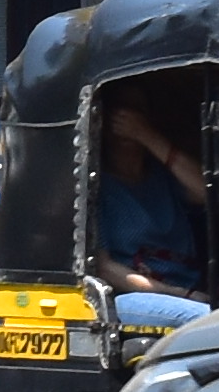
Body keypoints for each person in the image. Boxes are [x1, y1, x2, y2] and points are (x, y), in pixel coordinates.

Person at [86, 94, 208, 311]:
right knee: (204, 319)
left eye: (136, 110)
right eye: (119, 110)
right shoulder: (97, 186)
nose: (126, 117)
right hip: (132, 295)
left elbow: (206, 192)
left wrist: (146, 135)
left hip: (190, 287)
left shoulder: (163, 176)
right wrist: (179, 294)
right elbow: (104, 267)